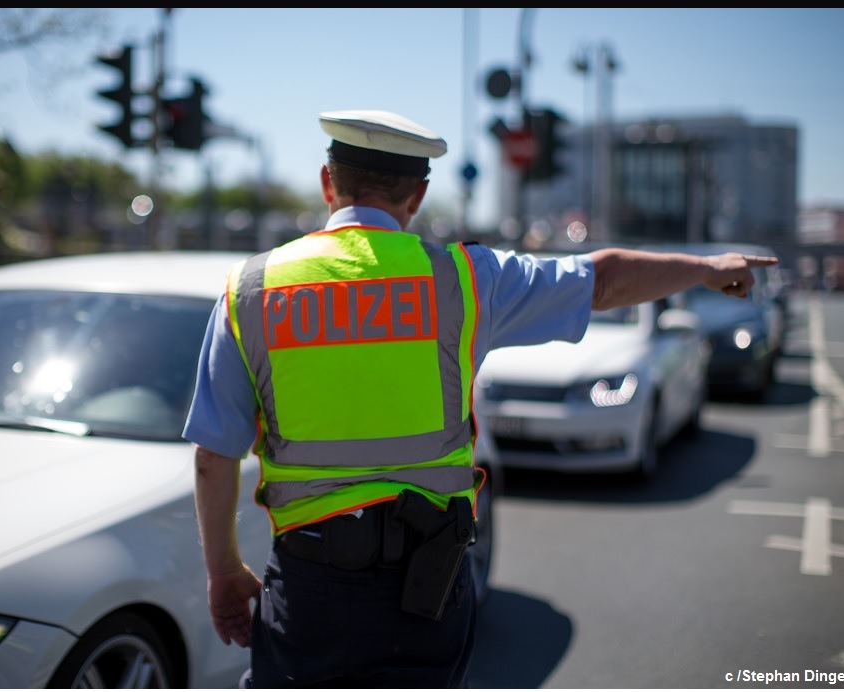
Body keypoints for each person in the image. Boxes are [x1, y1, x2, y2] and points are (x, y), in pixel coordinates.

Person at [183, 109, 777, 688]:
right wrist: (705, 268)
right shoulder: (465, 280)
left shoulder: (252, 291)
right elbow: (604, 280)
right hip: (424, 588)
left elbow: (214, 455)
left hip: (308, 584)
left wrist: (222, 570)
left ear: (326, 183)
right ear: (417, 196)